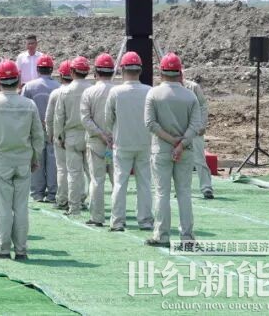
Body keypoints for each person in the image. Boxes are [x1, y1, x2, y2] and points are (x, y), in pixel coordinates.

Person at [0, 61, 44, 260]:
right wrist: (35, 157)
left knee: (3, 206)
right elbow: (38, 136)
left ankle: (3, 247)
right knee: (21, 207)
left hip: (0, 160)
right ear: (18, 80)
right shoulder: (29, 105)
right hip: (23, 160)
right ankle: (21, 248)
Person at [145, 53, 203, 247]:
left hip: (161, 149)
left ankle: (161, 235)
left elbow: (150, 123)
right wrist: (181, 144)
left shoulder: (154, 94)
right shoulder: (190, 96)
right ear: (180, 72)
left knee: (162, 193)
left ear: (161, 72)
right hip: (185, 151)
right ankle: (187, 236)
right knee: (184, 193)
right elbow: (196, 125)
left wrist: (171, 140)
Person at [105, 52, 153, 232]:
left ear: (122, 70)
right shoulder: (149, 91)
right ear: (140, 70)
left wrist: (113, 133)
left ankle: (117, 220)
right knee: (144, 183)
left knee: (120, 182)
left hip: (122, 143)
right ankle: (145, 220)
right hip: (145, 143)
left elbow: (108, 119)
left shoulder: (116, 92)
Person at [52, 56, 93, 216]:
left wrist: (59, 136)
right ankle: (95, 206)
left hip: (72, 136)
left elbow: (59, 117)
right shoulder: (92, 89)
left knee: (73, 173)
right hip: (90, 134)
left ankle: (74, 207)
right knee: (93, 175)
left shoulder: (64, 91)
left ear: (72, 71)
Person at [80, 53, 117, 226]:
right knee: (117, 180)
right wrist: (111, 136)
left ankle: (97, 216)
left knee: (97, 180)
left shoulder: (89, 92)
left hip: (96, 143)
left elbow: (85, 119)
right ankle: (118, 216)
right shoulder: (118, 91)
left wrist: (101, 134)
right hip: (114, 144)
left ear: (96, 72)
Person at [22, 55, 59, 203]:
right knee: (53, 160)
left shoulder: (29, 86)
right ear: (51, 69)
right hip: (54, 128)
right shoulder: (58, 87)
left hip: (34, 127)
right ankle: (53, 193)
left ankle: (37, 193)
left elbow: (23, 108)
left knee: (36, 158)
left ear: (38, 69)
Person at [45, 61, 73, 209]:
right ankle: (79, 197)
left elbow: (49, 117)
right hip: (79, 135)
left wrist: (50, 134)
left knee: (62, 169)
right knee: (79, 169)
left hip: (61, 135)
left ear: (61, 75)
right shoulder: (83, 90)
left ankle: (62, 199)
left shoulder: (56, 93)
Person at [182, 73, 213, 199]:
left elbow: (203, 106)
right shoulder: (168, 88)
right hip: (179, 129)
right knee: (181, 161)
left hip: (194, 128)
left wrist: (202, 125)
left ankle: (206, 187)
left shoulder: (193, 87)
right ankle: (182, 188)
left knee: (199, 159)